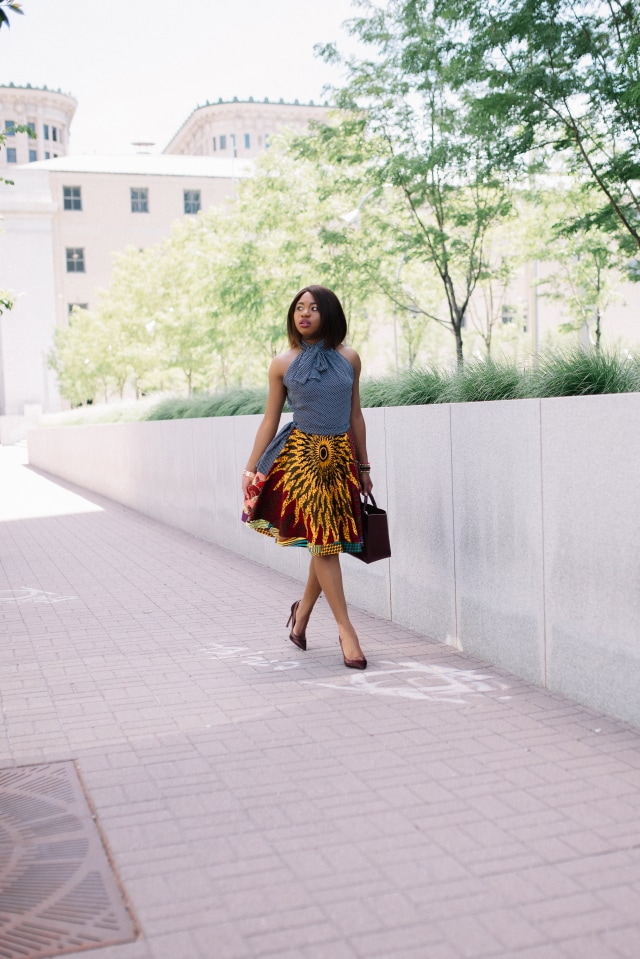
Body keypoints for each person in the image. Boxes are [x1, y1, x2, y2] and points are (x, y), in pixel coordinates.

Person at [241, 285, 373, 670]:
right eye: (299, 308)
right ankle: (346, 630)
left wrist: (364, 467)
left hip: (339, 461)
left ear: (329, 314)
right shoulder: (281, 363)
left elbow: (355, 416)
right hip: (301, 460)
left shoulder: (349, 359)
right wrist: (251, 467)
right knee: (326, 543)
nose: (305, 314)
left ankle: (300, 617)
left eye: (314, 308)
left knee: (324, 542)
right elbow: (270, 418)